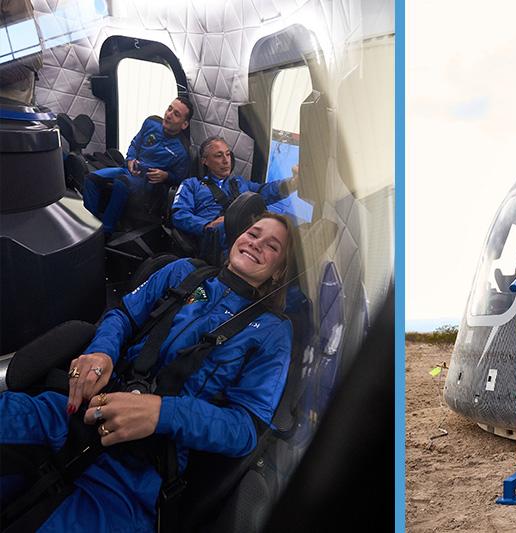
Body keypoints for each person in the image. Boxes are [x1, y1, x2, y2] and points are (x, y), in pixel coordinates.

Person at [0, 212, 293, 531]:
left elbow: (244, 429)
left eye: (272, 246)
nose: (256, 244)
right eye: (253, 233)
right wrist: (101, 352)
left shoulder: (272, 331)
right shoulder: (185, 271)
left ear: (278, 273)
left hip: (141, 468)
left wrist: (161, 413)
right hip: (82, 407)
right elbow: (122, 315)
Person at [171, 136, 298, 259]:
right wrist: (207, 225)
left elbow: (264, 191)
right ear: (205, 161)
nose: (226, 161)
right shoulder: (191, 185)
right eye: (218, 156)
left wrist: (292, 183)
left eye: (227, 154)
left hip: (245, 233)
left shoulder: (238, 182)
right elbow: (179, 214)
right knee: (223, 228)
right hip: (214, 240)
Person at [83, 97, 193, 235]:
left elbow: (180, 179)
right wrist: (130, 159)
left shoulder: (182, 150)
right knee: (91, 178)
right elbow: (135, 144)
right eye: (169, 109)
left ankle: (105, 231)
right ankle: (88, 227)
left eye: (176, 114)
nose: (169, 115)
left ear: (184, 124)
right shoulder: (151, 122)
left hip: (148, 183)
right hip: (128, 170)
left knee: (121, 183)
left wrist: (166, 176)